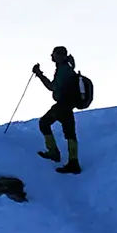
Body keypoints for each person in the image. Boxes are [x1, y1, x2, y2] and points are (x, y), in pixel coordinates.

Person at [32, 45, 81, 174]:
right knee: (70, 133)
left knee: (44, 123)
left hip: (62, 105)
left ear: (60, 56)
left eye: (54, 54)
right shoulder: (68, 68)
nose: (51, 56)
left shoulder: (63, 70)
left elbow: (52, 86)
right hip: (68, 105)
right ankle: (73, 162)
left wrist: (39, 74)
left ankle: (54, 153)